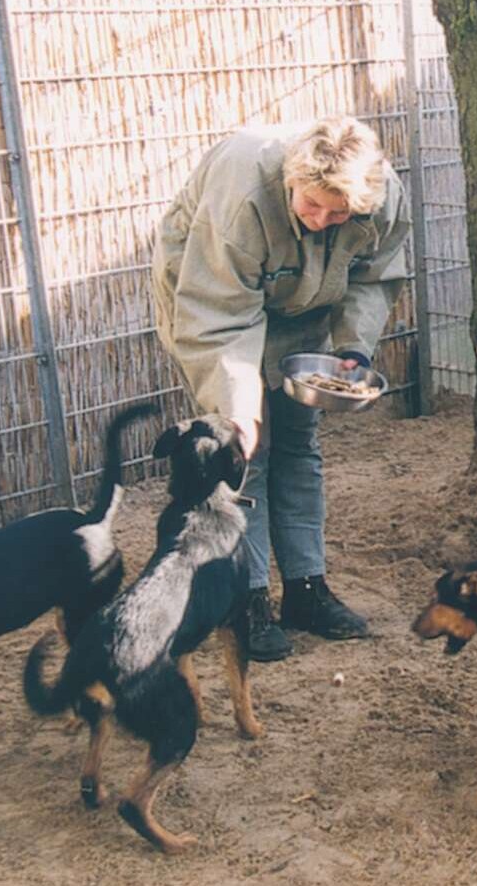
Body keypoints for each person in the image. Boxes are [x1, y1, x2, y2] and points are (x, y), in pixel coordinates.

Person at [152, 117, 409, 661]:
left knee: (298, 442)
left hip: (301, 298)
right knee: (252, 452)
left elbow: (372, 277)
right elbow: (218, 315)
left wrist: (354, 348)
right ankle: (246, 602)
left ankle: (305, 588)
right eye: (311, 206)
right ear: (292, 180)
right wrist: (240, 407)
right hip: (214, 299)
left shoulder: (382, 200)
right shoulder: (243, 193)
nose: (321, 221)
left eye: (338, 214)